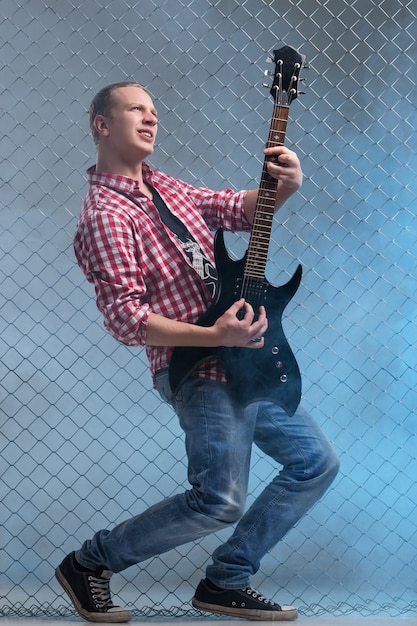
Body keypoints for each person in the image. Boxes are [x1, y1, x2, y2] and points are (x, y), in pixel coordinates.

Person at [55, 81, 339, 623]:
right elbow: (126, 320)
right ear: (102, 124)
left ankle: (227, 579)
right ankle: (88, 564)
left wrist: (288, 184)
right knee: (219, 500)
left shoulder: (168, 189)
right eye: (136, 109)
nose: (150, 118)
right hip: (200, 367)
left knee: (315, 462)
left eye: (154, 111)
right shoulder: (106, 216)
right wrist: (215, 337)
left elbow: (241, 208)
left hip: (246, 358)